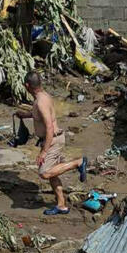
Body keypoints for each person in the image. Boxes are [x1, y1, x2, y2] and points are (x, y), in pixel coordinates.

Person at [16, 72, 87, 215]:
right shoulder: (43, 96)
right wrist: (25, 115)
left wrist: (43, 152)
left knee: (45, 173)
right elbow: (41, 115)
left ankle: (78, 163)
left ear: (27, 85)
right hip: (52, 140)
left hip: (53, 140)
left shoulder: (40, 102)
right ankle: (61, 205)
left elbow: (49, 127)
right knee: (53, 173)